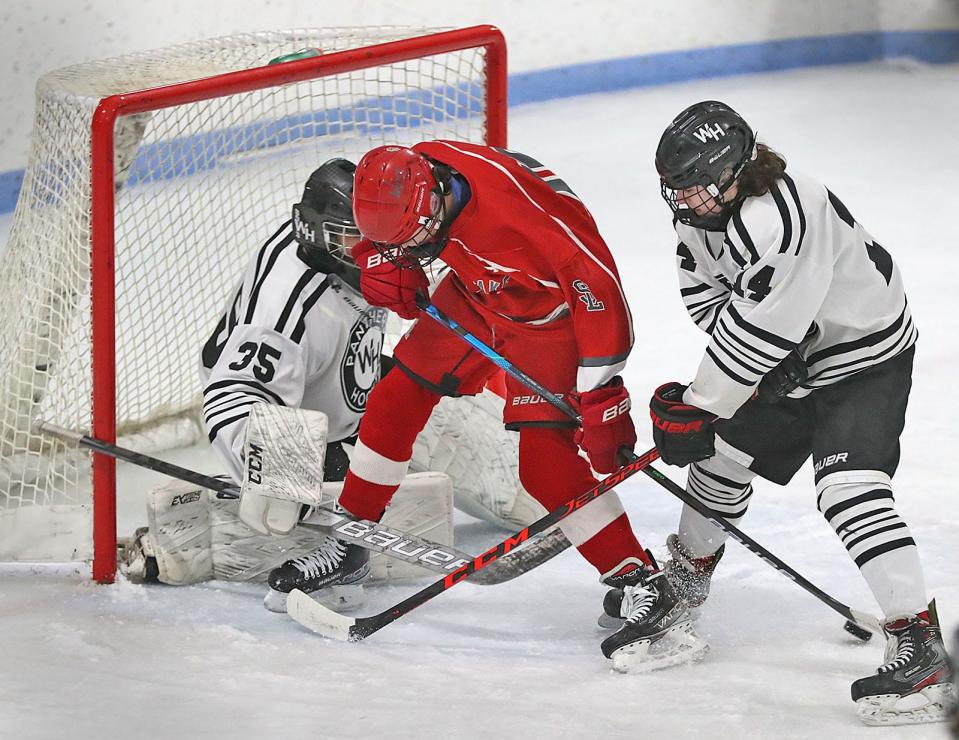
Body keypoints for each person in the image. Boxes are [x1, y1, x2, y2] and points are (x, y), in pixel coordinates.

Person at [326, 141, 708, 672]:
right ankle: (351, 539)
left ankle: (639, 580)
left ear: (434, 196)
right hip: (476, 293)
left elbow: (598, 289)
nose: (415, 245)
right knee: (396, 396)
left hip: (550, 318)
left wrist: (600, 393)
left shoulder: (520, 218)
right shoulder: (413, 177)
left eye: (417, 236)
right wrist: (381, 255)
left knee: (544, 465)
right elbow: (369, 219)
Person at [642, 99, 954, 723]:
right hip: (793, 350)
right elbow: (710, 295)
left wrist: (702, 405)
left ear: (735, 171)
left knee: (848, 489)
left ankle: (922, 644)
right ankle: (687, 581)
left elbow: (760, 329)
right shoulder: (702, 211)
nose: (685, 202)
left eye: (698, 188)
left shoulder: (782, 215)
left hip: (863, 355)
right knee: (720, 455)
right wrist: (735, 391)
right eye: (676, 190)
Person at [124, 158, 551, 606]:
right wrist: (280, 472)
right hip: (301, 430)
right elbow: (232, 394)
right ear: (318, 237)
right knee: (337, 520)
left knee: (528, 497)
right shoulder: (285, 306)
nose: (377, 252)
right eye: (357, 239)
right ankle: (181, 536)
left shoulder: (386, 243)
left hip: (362, 389)